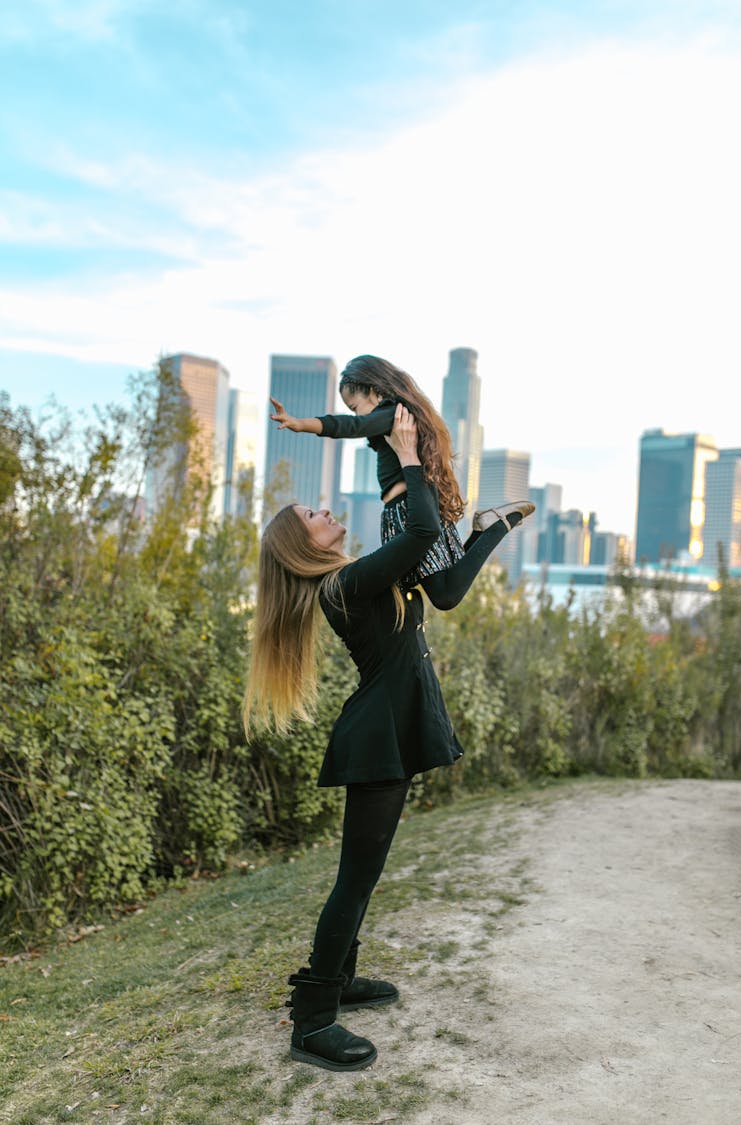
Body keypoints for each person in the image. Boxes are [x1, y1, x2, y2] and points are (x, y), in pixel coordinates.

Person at [244, 406, 463, 1072]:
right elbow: (422, 528)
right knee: (354, 880)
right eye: (311, 514)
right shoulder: (344, 582)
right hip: (376, 741)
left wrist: (486, 529)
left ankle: (338, 979)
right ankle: (312, 1020)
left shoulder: (355, 577)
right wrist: (404, 450)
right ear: (302, 545)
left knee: (363, 879)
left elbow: (436, 561)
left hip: (385, 731)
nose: (322, 510)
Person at [269, 353, 534, 610]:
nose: (357, 415)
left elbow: (350, 427)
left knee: (444, 595)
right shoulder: (397, 416)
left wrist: (301, 424)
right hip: (409, 506)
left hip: (409, 509)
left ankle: (495, 527)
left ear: (373, 390)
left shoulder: (391, 413)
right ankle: (485, 528)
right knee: (444, 589)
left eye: (355, 407)